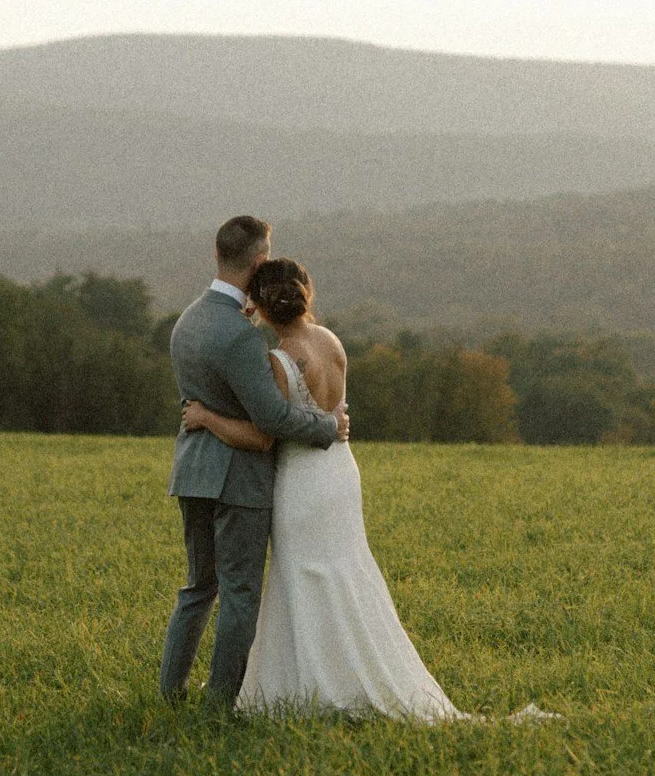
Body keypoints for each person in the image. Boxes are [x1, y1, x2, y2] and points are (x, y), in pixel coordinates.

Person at [181, 257, 460, 723]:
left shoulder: (279, 360)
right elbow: (331, 411)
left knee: (301, 577)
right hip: (341, 475)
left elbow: (264, 435)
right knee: (345, 573)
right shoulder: (331, 341)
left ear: (259, 306)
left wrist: (206, 417)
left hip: (302, 481)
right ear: (305, 292)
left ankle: (310, 685)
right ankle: (352, 671)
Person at [159, 216, 347, 710]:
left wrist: (203, 415)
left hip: (191, 472)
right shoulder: (243, 338)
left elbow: (199, 399)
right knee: (240, 594)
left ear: (217, 255)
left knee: (198, 587)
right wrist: (329, 428)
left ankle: (169, 691)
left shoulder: (187, 321)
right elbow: (271, 418)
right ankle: (222, 703)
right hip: (237, 479)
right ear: (260, 261)